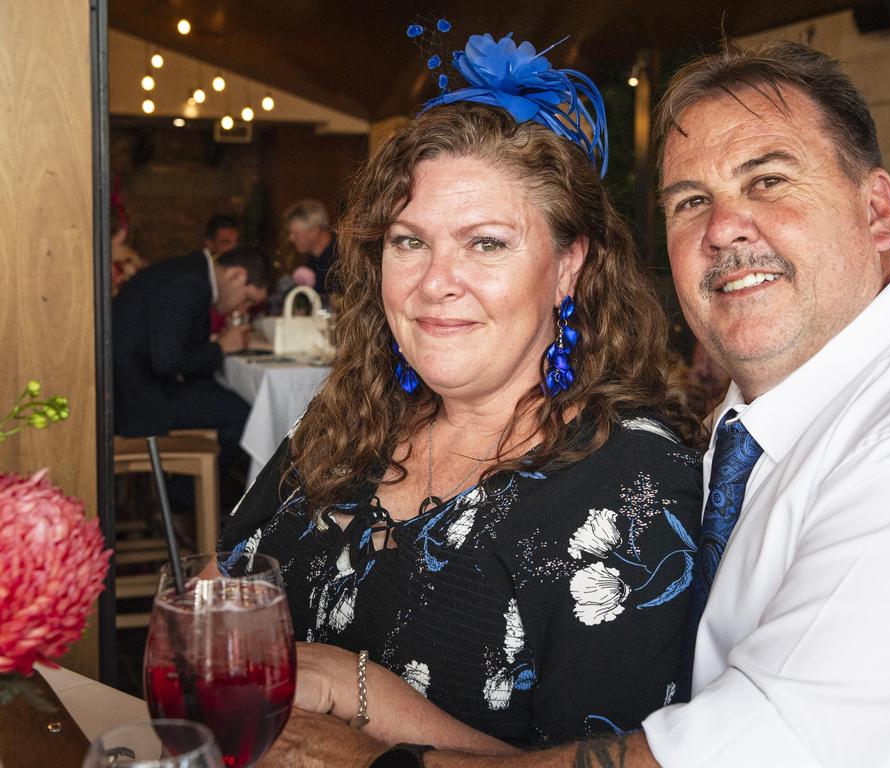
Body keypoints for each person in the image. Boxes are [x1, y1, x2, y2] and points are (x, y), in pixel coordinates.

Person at [260, 39, 890, 768]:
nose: (724, 227)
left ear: (878, 211)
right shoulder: (762, 429)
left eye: (769, 180)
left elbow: (740, 753)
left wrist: (367, 742)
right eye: (691, 201)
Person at [220, 31, 707, 752]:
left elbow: (600, 762)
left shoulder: (632, 485)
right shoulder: (348, 419)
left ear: (569, 264)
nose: (434, 282)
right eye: (409, 241)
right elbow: (212, 601)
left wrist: (353, 691)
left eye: (486, 243)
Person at [112, 245, 271, 508]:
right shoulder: (190, 283)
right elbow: (168, 362)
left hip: (134, 388)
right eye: (248, 299)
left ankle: (192, 502)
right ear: (237, 276)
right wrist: (221, 347)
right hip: (137, 401)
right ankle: (186, 504)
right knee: (246, 414)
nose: (242, 307)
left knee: (226, 400)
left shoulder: (189, 272)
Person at [284, 199, 337, 296]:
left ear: (314, 231)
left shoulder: (344, 259)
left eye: (296, 233)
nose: (290, 238)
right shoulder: (311, 263)